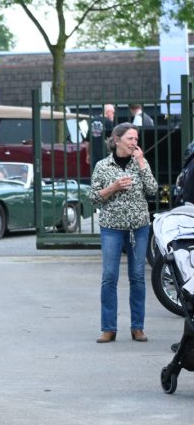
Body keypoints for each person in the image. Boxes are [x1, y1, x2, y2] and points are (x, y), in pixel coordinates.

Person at [89, 123, 158, 343]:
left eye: (136, 139)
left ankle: (137, 327)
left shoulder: (141, 163)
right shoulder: (102, 166)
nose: (134, 143)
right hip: (111, 228)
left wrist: (142, 163)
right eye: (130, 138)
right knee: (109, 277)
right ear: (116, 140)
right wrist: (114, 187)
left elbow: (153, 190)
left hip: (138, 227)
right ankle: (108, 328)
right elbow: (93, 197)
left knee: (137, 277)